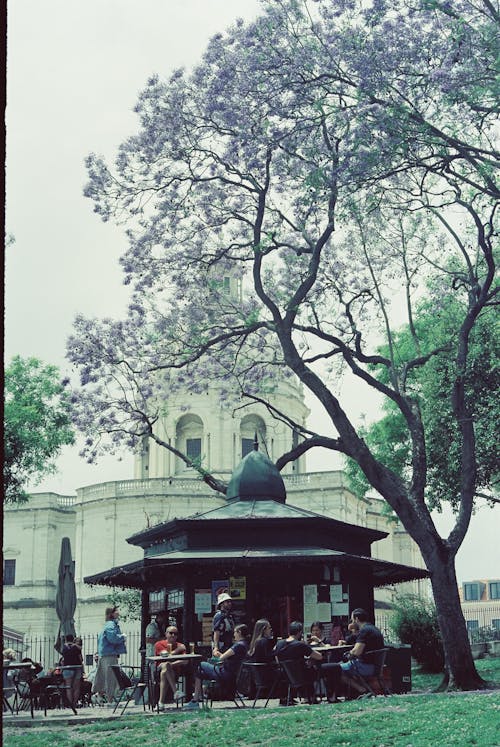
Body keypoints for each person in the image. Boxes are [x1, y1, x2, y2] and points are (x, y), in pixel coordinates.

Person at [321, 608, 384, 702]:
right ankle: (361, 690)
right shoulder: (372, 629)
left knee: (329, 668)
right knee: (337, 668)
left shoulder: (365, 631)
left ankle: (336, 697)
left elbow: (356, 652)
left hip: (365, 667)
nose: (351, 622)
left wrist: (348, 654)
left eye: (352, 619)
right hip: (374, 666)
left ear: (356, 619)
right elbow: (356, 638)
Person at [183, 623, 249, 709]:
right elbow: (229, 658)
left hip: (225, 674)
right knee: (200, 673)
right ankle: (195, 699)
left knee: (201, 664)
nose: (234, 634)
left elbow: (221, 658)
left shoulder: (238, 645)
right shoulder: (245, 644)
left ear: (239, 632)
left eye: (235, 632)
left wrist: (216, 653)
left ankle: (196, 699)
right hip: (232, 674)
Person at [273, 621, 322, 706]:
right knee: (332, 668)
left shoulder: (279, 643)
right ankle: (331, 696)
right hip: (303, 676)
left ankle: (303, 697)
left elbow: (276, 656)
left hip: (286, 676)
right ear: (300, 632)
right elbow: (319, 657)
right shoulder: (299, 645)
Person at [92, 606, 127, 704]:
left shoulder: (107, 625)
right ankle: (110, 701)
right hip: (110, 654)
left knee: (103, 676)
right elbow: (112, 638)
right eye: (116, 611)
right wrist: (122, 637)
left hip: (105, 654)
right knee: (111, 678)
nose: (118, 612)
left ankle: (99, 695)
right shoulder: (111, 625)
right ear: (111, 613)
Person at [154, 625, 186, 710]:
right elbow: (165, 655)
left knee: (165, 670)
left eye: (175, 634)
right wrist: (178, 650)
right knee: (166, 665)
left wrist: (170, 665)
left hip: (174, 671)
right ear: (166, 634)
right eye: (171, 633)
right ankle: (176, 691)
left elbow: (185, 661)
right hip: (159, 668)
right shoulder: (159, 644)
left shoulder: (180, 645)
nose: (173, 635)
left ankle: (160, 703)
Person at [61, 634, 83, 708]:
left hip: (67, 668)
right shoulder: (77, 647)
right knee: (76, 687)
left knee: (68, 687)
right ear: (73, 639)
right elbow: (81, 659)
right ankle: (74, 703)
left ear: (66, 639)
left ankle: (70, 704)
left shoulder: (64, 647)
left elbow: (63, 659)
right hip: (77, 667)